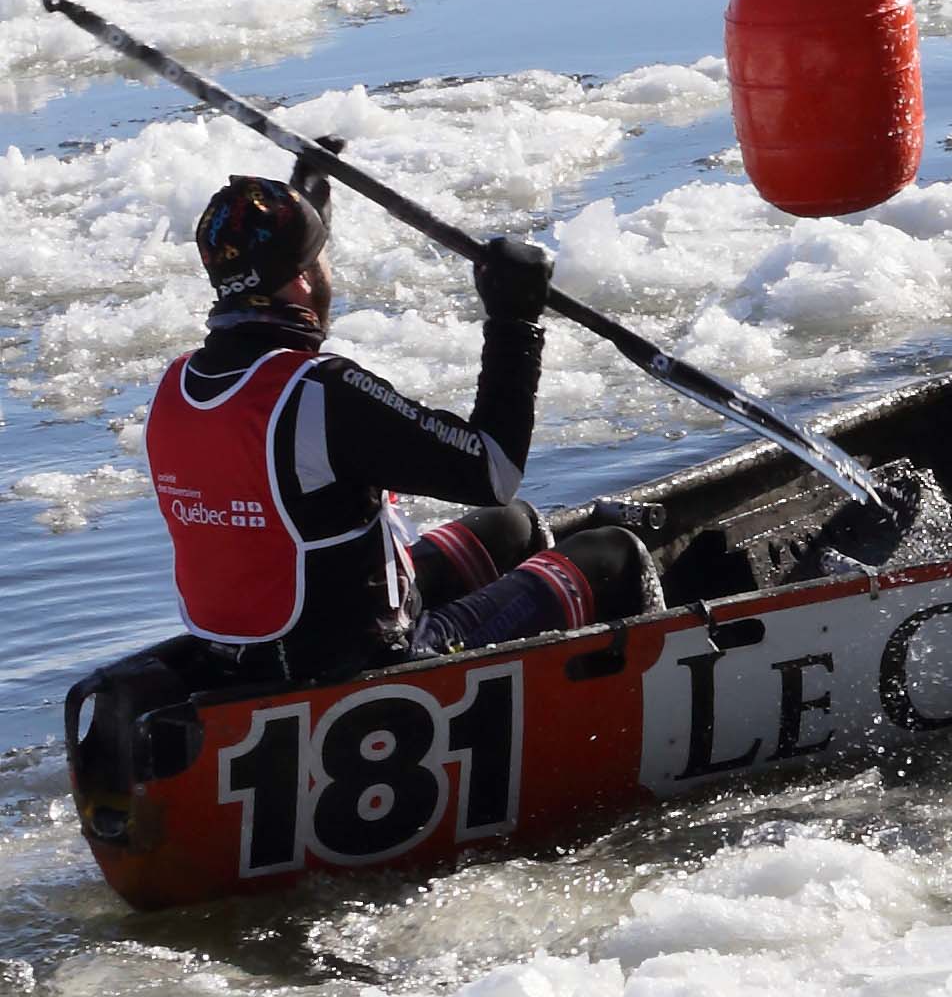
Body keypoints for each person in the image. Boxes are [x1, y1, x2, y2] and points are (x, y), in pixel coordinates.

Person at [146, 170, 612, 682]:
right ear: (302, 278)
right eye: (320, 256)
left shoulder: (178, 384)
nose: (329, 271)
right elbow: (494, 471)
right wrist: (514, 324)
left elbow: (279, 357)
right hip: (359, 665)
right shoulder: (324, 393)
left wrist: (305, 205)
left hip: (242, 656)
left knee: (514, 526)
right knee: (612, 556)